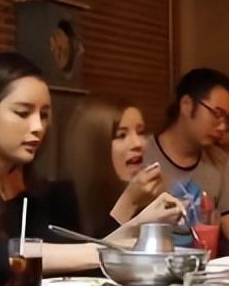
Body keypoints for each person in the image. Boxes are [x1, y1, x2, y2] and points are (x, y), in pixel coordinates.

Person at [0, 53, 180, 286]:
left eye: (43, 115)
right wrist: (108, 249)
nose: (38, 127)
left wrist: (137, 218)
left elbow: (76, 262)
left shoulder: (38, 189)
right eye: (23, 113)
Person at [142, 68, 229, 239]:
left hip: (205, 256)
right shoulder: (142, 154)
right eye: (217, 114)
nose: (222, 127)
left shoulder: (219, 161)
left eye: (228, 119)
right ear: (186, 105)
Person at [64, 98, 183, 237]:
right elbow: (93, 248)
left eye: (140, 132)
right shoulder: (63, 201)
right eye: (121, 135)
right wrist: (128, 202)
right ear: (95, 147)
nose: (138, 143)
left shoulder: (147, 199)